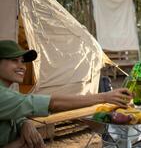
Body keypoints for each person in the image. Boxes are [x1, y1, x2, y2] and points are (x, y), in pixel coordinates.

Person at [0, 40, 131, 147]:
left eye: (22, 61)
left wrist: (25, 123)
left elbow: (15, 110)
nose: (22, 66)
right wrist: (104, 96)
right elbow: (53, 103)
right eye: (14, 60)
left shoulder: (8, 92)